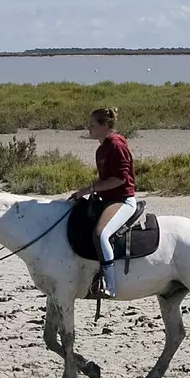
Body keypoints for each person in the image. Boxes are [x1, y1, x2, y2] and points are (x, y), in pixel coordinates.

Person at [68, 106, 136, 298]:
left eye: (92, 124)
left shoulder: (116, 145)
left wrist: (89, 189)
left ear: (105, 125)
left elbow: (120, 179)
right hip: (107, 199)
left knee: (100, 234)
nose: (88, 127)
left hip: (123, 200)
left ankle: (110, 285)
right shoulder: (101, 149)